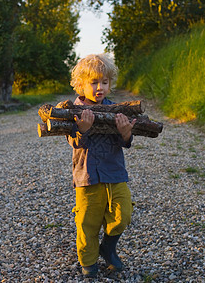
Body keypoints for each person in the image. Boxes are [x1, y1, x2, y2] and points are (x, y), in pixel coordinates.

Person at [67, 53, 136, 278]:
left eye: (104, 82)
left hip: (114, 173)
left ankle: (107, 246)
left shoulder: (115, 109)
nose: (100, 87)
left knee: (123, 213)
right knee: (87, 222)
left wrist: (126, 134)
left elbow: (122, 142)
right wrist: (82, 130)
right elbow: (74, 142)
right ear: (80, 85)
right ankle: (88, 260)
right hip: (87, 177)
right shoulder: (74, 111)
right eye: (94, 82)